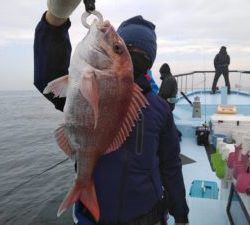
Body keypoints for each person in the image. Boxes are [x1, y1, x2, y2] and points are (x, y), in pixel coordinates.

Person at [34, 1, 189, 225]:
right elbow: (47, 78)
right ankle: (82, 186)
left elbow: (171, 166)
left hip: (149, 217)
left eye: (142, 54)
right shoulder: (86, 83)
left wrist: (181, 215)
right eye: (126, 47)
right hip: (92, 218)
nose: (135, 55)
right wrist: (55, 20)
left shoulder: (160, 110)